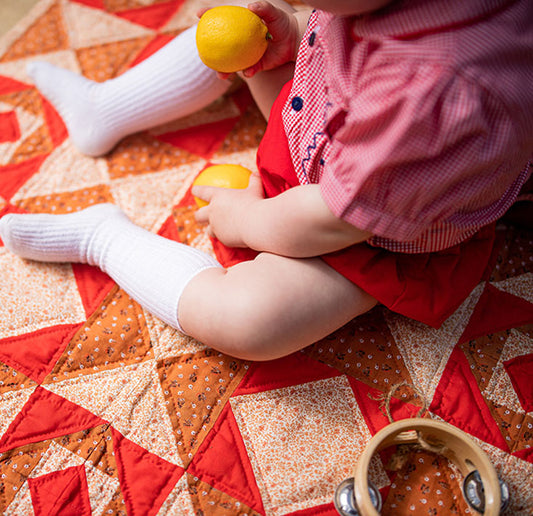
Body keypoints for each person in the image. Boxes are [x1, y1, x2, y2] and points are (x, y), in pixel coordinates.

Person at [0, 0, 531, 360]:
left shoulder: (436, 91)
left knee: (250, 321)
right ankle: (106, 108)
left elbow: (331, 220)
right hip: (329, 127)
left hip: (372, 230)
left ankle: (103, 237)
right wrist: (298, 34)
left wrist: (246, 220)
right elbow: (338, 33)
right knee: (241, 26)